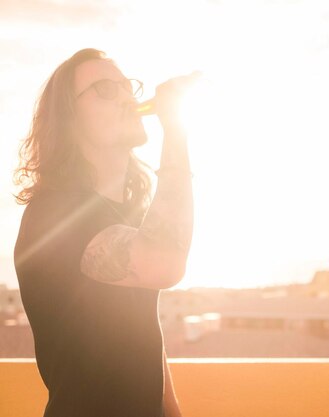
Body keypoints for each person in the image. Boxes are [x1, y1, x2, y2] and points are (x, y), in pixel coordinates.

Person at [13, 48, 194, 417]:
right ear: (69, 119)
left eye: (128, 86)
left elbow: (142, 331)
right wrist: (176, 130)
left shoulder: (125, 214)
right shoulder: (55, 214)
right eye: (106, 90)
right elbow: (165, 264)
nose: (128, 97)